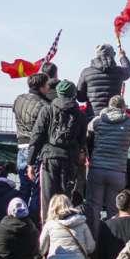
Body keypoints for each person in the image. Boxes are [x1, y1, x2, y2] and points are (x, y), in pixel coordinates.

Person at [25, 80, 87, 221]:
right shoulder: (80, 114)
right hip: (70, 159)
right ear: (73, 94)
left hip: (49, 158)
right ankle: (65, 227)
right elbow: (82, 140)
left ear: (58, 93)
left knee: (47, 199)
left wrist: (30, 163)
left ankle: (48, 230)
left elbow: (37, 136)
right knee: (66, 199)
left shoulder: (47, 109)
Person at [87, 95, 130, 234]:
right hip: (118, 171)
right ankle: (111, 241)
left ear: (109, 106)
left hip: (97, 169)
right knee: (114, 210)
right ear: (123, 107)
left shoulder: (97, 121)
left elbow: (87, 137)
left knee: (93, 208)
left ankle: (94, 243)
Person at [13, 72, 49, 218]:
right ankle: (33, 220)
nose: (48, 87)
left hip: (21, 147)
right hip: (36, 149)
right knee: (37, 189)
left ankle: (18, 217)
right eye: (47, 85)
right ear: (41, 87)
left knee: (24, 187)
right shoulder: (44, 105)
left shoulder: (18, 99)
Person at [76, 44, 130, 119]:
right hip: (113, 117)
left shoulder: (86, 72)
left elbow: (80, 98)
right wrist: (122, 57)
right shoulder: (119, 71)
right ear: (112, 55)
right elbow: (128, 70)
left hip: (93, 117)